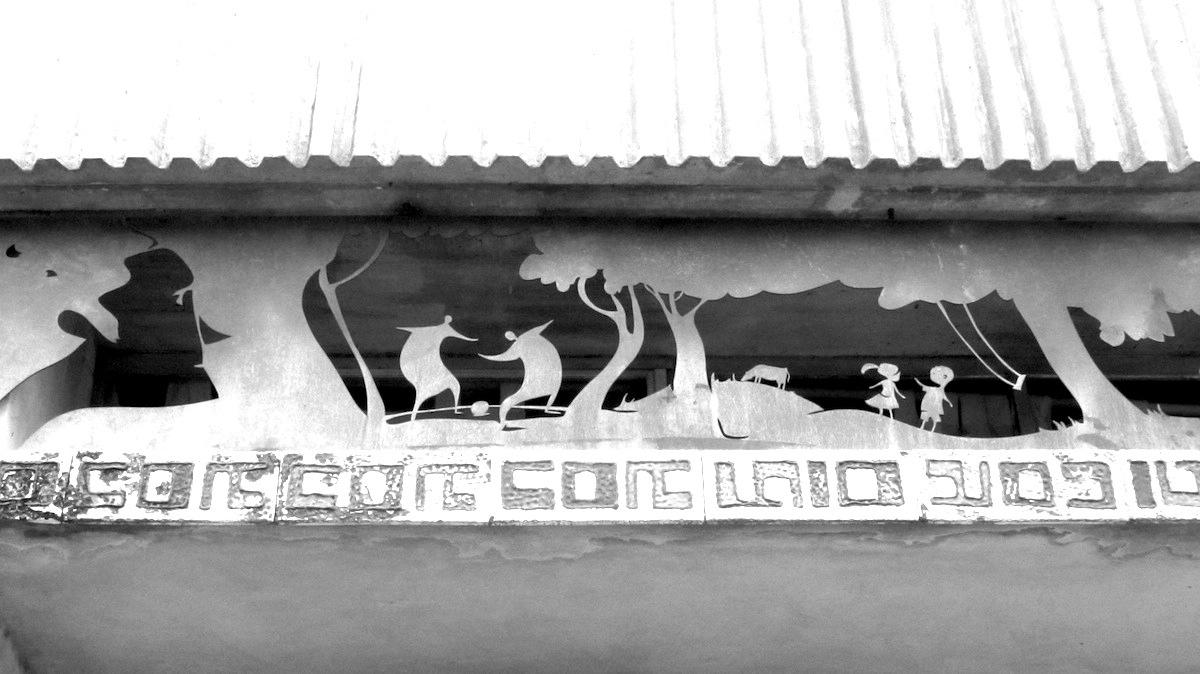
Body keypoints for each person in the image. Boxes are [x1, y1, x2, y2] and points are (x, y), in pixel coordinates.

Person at [480, 321, 562, 427]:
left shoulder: (526, 339)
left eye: (510, 335)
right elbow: (504, 356)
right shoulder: (521, 342)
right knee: (511, 401)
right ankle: (503, 422)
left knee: (552, 390)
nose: (511, 336)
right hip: (541, 377)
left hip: (547, 375)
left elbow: (541, 327)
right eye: (509, 335)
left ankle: (546, 409)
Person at [397, 315, 476, 421]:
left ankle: (455, 410)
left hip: (433, 363)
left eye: (449, 319)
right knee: (425, 390)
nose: (448, 320)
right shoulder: (437, 328)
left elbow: (458, 335)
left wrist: (470, 339)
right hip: (429, 363)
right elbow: (418, 330)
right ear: (446, 319)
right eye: (447, 318)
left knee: (454, 384)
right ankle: (414, 414)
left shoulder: (445, 328)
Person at [915, 365, 955, 432]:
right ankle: (923, 427)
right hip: (930, 406)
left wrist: (949, 402)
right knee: (926, 417)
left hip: (935, 407)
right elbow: (923, 385)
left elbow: (944, 396)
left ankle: (931, 429)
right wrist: (917, 381)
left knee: (934, 419)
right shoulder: (932, 388)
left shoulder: (939, 390)